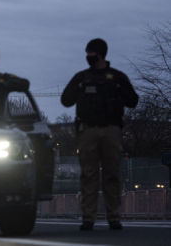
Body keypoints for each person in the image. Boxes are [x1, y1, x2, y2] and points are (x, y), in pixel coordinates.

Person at [61, 38, 138, 231]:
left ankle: (114, 217)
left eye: (91, 53)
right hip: (88, 130)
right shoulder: (82, 77)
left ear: (100, 54)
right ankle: (88, 218)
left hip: (111, 129)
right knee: (89, 174)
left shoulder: (117, 77)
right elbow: (65, 100)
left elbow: (133, 100)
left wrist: (118, 93)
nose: (88, 57)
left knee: (112, 174)